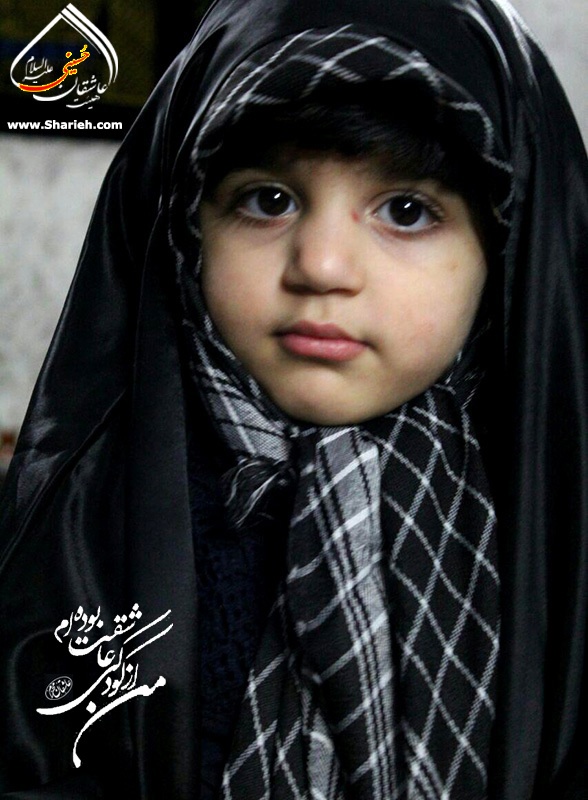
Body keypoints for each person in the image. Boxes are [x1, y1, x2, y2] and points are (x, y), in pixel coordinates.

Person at [0, 0, 586, 798]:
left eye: (406, 212)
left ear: (508, 257)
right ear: (184, 232)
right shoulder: (88, 540)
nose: (321, 265)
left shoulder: (553, 539)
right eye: (267, 200)